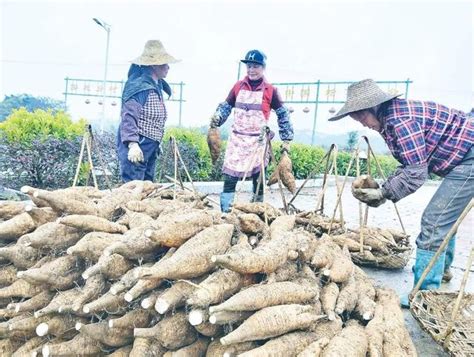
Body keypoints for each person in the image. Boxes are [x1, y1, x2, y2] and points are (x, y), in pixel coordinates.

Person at [329, 79, 474, 307]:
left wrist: (384, 193)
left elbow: (416, 174)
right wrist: (383, 188)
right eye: (356, 119)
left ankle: (425, 296)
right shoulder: (388, 120)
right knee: (445, 217)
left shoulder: (399, 120)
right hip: (462, 157)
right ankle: (441, 269)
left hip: (469, 158)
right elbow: (410, 164)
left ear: (374, 107)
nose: (363, 123)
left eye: (362, 117)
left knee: (434, 220)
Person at [209, 50, 294, 212]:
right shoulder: (237, 87)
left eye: (255, 66)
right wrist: (217, 117)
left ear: (263, 68)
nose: (251, 70)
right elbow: (226, 107)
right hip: (237, 140)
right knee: (229, 179)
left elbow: (283, 114)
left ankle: (256, 211)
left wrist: (286, 139)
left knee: (259, 179)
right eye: (249, 66)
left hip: (258, 141)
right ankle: (226, 212)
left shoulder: (270, 90)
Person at [117, 40, 180, 182]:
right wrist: (132, 144)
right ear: (153, 65)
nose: (168, 67)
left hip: (150, 145)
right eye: (164, 63)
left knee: (147, 187)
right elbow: (128, 116)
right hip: (139, 143)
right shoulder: (138, 86)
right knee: (134, 187)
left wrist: (156, 142)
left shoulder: (156, 85)